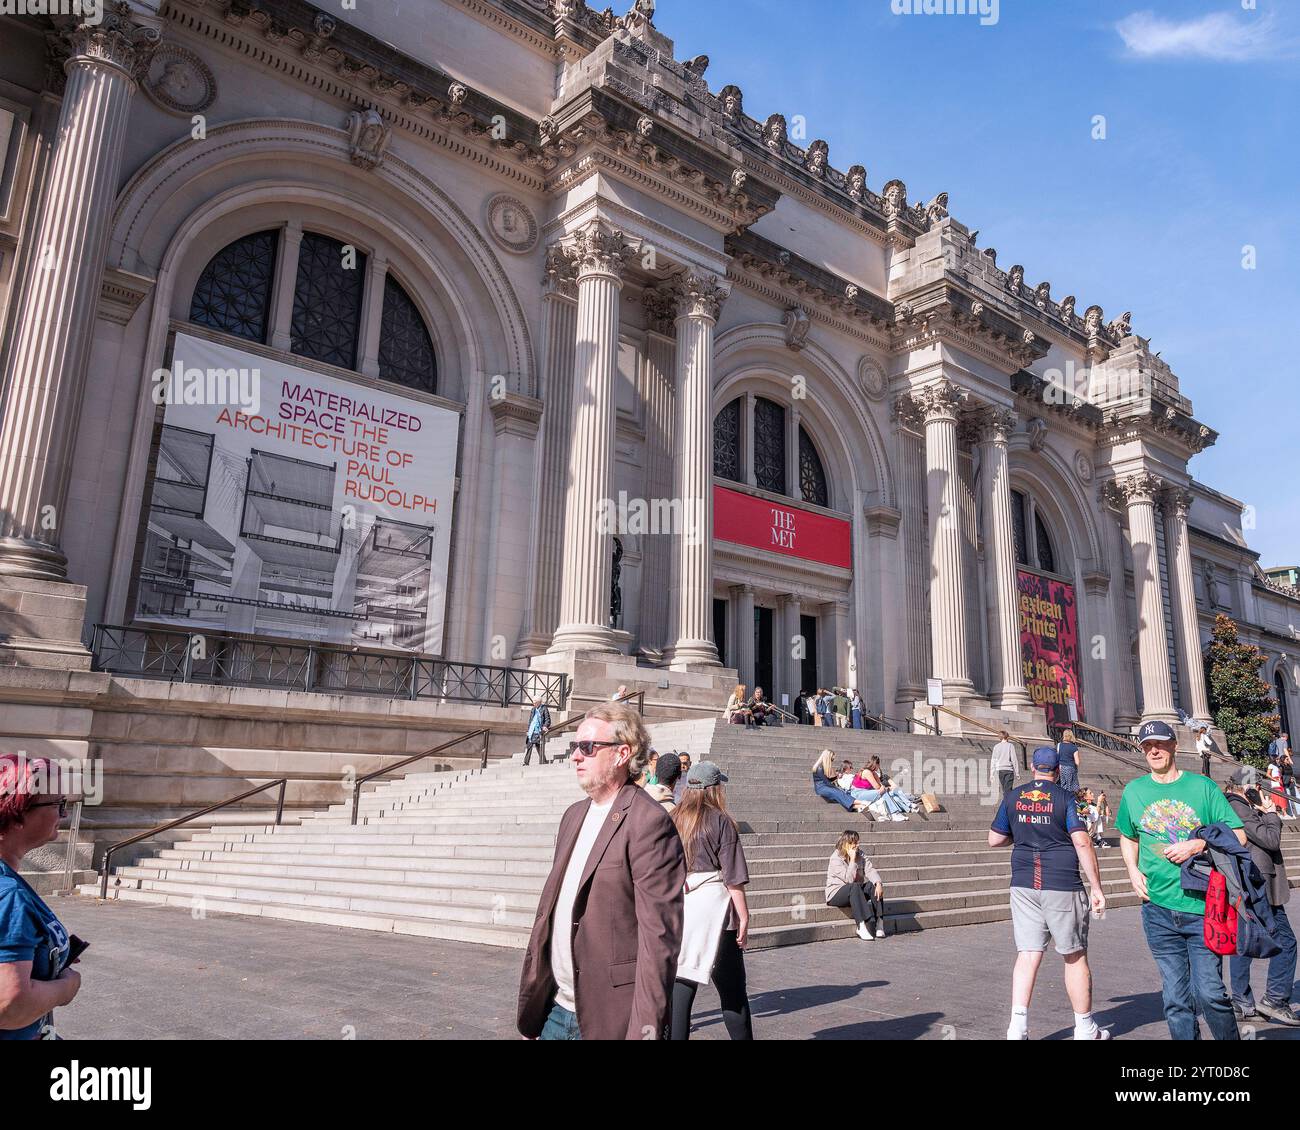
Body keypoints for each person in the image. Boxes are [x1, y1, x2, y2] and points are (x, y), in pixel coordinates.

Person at [517, 702, 685, 1041]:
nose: (576, 756)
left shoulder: (648, 822)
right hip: (554, 1010)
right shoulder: (573, 816)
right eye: (575, 747)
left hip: (609, 1018)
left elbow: (659, 941)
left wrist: (644, 1031)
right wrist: (536, 1006)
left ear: (623, 753)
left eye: (588, 747)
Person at [1116, 719, 1247, 1041]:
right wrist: (1132, 870)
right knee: (1175, 1000)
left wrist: (1199, 843)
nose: (1153, 750)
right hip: (1157, 909)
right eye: (1147, 746)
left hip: (1203, 907)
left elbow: (1240, 835)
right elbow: (1128, 835)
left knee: (1211, 994)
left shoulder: (1202, 787)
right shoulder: (1134, 791)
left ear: (1174, 744)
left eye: (1159, 743)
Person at [989, 746, 1108, 1040]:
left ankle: (1017, 1028)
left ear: (1032, 767)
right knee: (1074, 955)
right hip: (1061, 882)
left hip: (1023, 882)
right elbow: (1082, 843)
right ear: (1057, 771)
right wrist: (1096, 886)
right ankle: (1084, 1027)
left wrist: (1023, 833)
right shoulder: (1065, 798)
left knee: (1028, 954)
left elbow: (995, 839)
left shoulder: (1013, 797)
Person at [670, 761, 753, 1040]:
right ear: (713, 788)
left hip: (681, 910)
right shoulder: (721, 821)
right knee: (732, 992)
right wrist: (743, 916)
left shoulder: (672, 819)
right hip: (717, 913)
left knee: (681, 986)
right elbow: (733, 877)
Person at [1, 755, 81, 1040]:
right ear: (18, 813)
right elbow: (10, 1006)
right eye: (59, 804)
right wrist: (66, 987)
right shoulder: (8, 895)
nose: (64, 815)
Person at [1224, 772, 1299, 1026]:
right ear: (1246, 787)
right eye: (1256, 786)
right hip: (1258, 886)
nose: (1260, 790)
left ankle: (1242, 1001)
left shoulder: (1242, 806)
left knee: (1244, 943)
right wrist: (1270, 813)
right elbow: (1270, 839)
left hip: (1255, 885)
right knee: (1286, 943)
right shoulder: (1237, 807)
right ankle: (1275, 1000)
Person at [825, 830, 886, 940]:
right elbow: (849, 880)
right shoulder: (835, 858)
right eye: (854, 842)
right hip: (836, 893)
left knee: (873, 886)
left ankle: (879, 923)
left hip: (855, 891)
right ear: (846, 844)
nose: (857, 845)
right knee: (854, 886)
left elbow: (870, 870)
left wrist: (878, 883)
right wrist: (852, 860)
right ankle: (861, 926)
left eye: (857, 842)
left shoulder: (861, 854)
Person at [522, 697, 551, 765]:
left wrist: (545, 726)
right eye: (533, 702)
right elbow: (531, 721)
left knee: (538, 746)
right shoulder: (533, 709)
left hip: (538, 730)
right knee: (529, 746)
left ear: (539, 702)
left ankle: (543, 760)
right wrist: (528, 730)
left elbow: (548, 719)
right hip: (532, 731)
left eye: (535, 702)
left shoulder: (544, 708)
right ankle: (526, 762)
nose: (533, 703)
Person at [990, 730, 1017, 795]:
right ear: (1007, 737)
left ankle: (1006, 802)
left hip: (999, 770)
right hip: (1008, 770)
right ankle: (1007, 803)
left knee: (1005, 789)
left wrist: (992, 773)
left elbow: (993, 760)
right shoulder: (1010, 745)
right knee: (1008, 790)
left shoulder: (996, 746)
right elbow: (1014, 759)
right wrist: (1017, 772)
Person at [1056, 728, 1081, 794]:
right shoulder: (1074, 747)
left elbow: (1057, 756)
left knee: (1063, 785)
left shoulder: (1059, 745)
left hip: (1061, 768)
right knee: (1072, 787)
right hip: (1070, 768)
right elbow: (1077, 762)